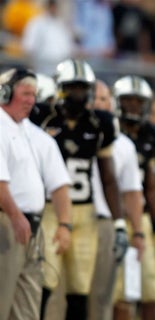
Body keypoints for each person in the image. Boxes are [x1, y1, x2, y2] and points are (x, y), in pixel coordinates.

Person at [33, 59, 124, 320]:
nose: (78, 95)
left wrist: (119, 223)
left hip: (86, 215)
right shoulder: (42, 116)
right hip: (50, 211)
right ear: (60, 88)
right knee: (44, 285)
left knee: (79, 291)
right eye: (73, 88)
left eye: (83, 88)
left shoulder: (100, 123)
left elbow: (108, 178)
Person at [0, 67, 72, 320]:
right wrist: (15, 216)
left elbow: (60, 184)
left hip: (32, 227)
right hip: (7, 224)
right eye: (25, 93)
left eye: (34, 94)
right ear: (5, 93)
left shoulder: (35, 135)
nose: (31, 100)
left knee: (27, 309)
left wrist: (65, 224)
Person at [112, 75, 155, 320]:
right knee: (118, 293)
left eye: (139, 102)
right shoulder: (109, 130)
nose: (133, 107)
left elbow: (154, 188)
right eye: (128, 101)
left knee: (152, 291)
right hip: (113, 215)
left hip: (144, 220)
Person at [87, 79, 145, 320]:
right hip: (74, 218)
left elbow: (132, 192)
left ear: (111, 103)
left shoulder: (124, 145)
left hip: (107, 221)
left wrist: (138, 232)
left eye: (104, 98)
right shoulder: (70, 131)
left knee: (102, 296)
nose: (99, 103)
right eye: (95, 98)